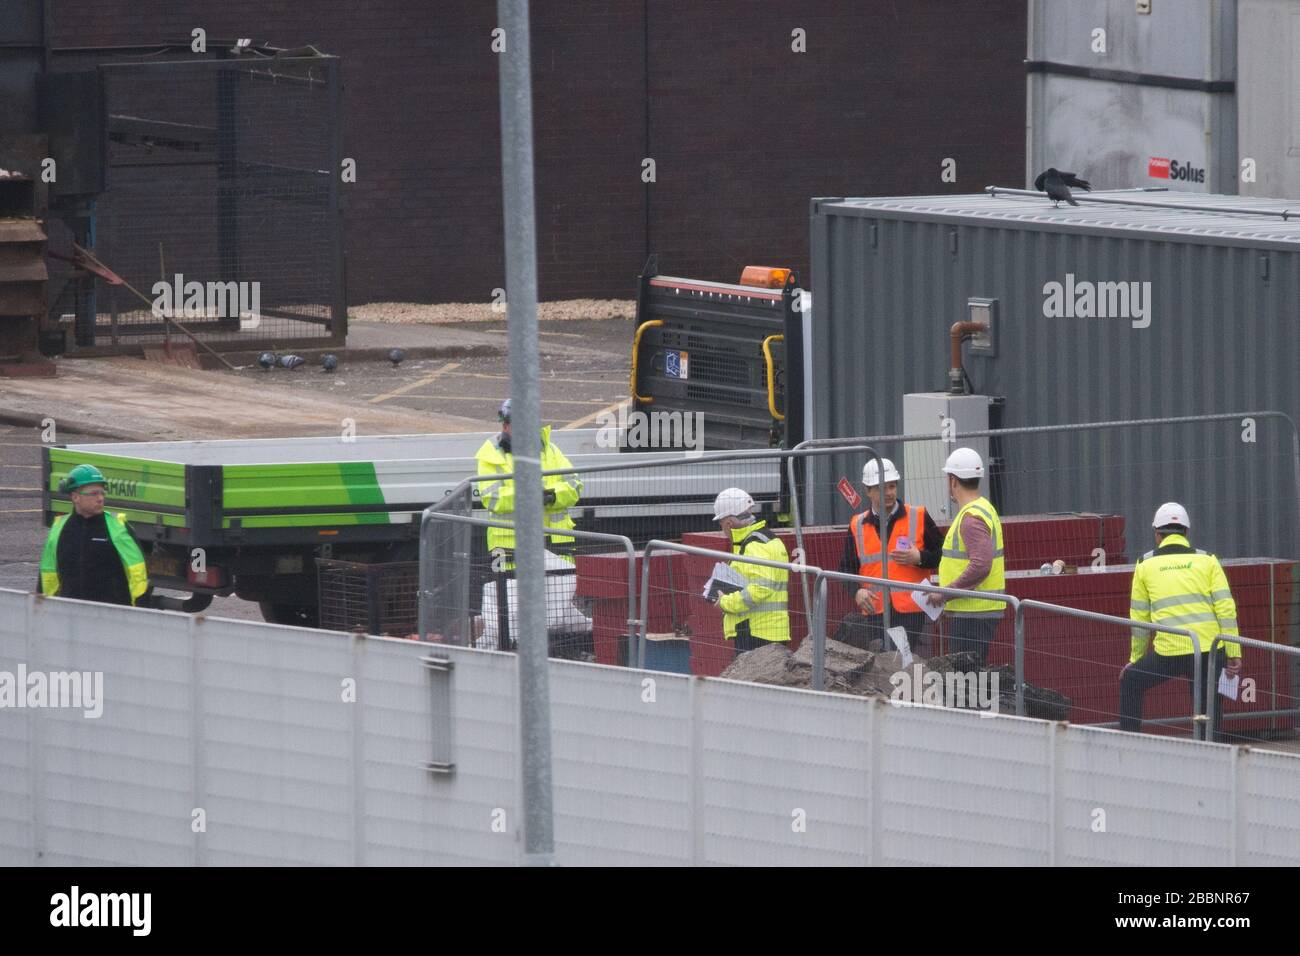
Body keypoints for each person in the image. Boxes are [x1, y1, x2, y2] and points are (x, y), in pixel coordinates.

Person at [1121, 502, 1243, 741]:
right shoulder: (1208, 560)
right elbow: (1226, 609)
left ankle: (1129, 746)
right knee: (1208, 710)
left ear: (1157, 534)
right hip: (1208, 650)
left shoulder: (1145, 564)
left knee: (1132, 681)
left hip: (1170, 652)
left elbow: (1140, 619)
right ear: (1186, 532)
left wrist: (1134, 660)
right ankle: (1212, 758)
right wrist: (1233, 650)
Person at [835, 457, 942, 653]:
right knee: (883, 663)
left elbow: (941, 555)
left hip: (912, 609)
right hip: (875, 610)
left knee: (900, 659)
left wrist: (919, 558)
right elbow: (845, 568)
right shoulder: (857, 524)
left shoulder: (918, 515)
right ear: (868, 490)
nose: (889, 492)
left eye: (892, 486)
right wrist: (856, 591)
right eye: (882, 488)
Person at [475, 398, 583, 570]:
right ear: (506, 427)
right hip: (510, 549)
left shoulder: (550, 450)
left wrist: (551, 495)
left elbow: (575, 485)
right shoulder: (491, 455)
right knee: (508, 596)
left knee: (558, 595)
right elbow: (492, 498)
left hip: (555, 543)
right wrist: (529, 495)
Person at [928, 448, 1006, 664]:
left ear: (952, 480)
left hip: (974, 614)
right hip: (975, 610)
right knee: (969, 680)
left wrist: (945, 594)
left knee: (964, 682)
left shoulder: (971, 517)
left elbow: (981, 565)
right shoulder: (983, 509)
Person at [38, 463, 149, 607]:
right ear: (75, 497)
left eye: (102, 492)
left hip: (112, 616)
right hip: (71, 615)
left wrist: (140, 612)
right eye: (94, 493)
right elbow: (47, 575)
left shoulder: (118, 527)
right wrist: (44, 611)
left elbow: (138, 573)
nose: (100, 498)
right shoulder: (59, 529)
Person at [709, 487, 790, 655]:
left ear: (729, 523)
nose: (722, 529)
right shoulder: (767, 540)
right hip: (766, 630)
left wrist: (725, 602)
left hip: (755, 632)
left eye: (721, 524)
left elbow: (760, 589)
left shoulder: (753, 546)